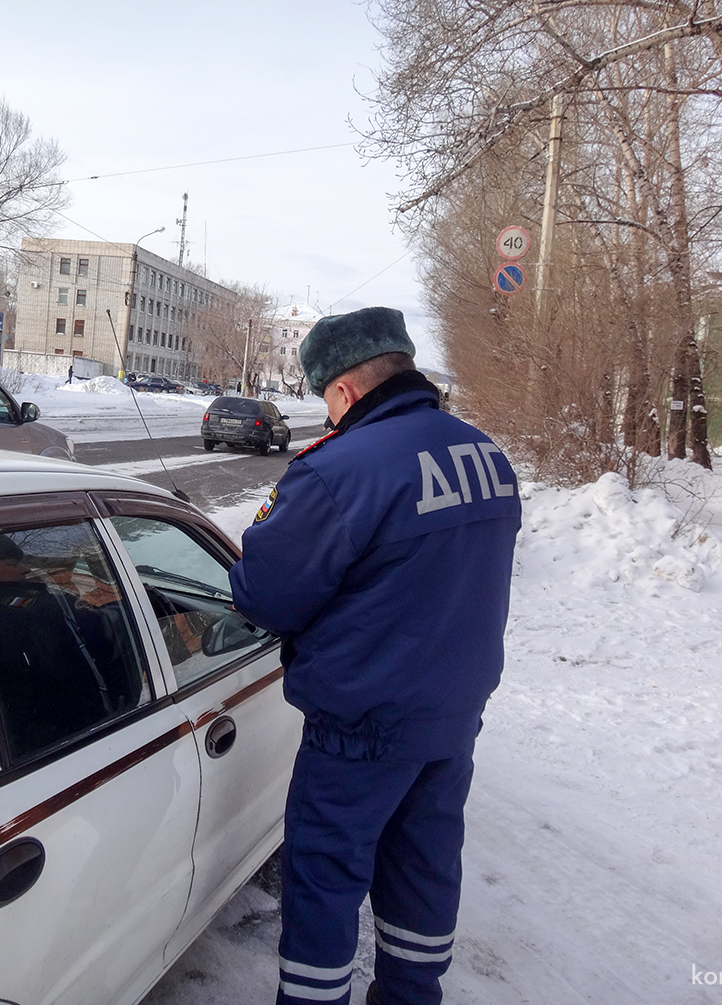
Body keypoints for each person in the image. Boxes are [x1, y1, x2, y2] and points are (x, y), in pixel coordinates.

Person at [229, 306, 521, 1005]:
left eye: (326, 398)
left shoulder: (340, 470)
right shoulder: (486, 455)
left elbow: (265, 596)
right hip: (451, 717)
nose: (326, 417)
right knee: (423, 868)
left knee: (325, 882)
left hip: (360, 726)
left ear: (348, 390)